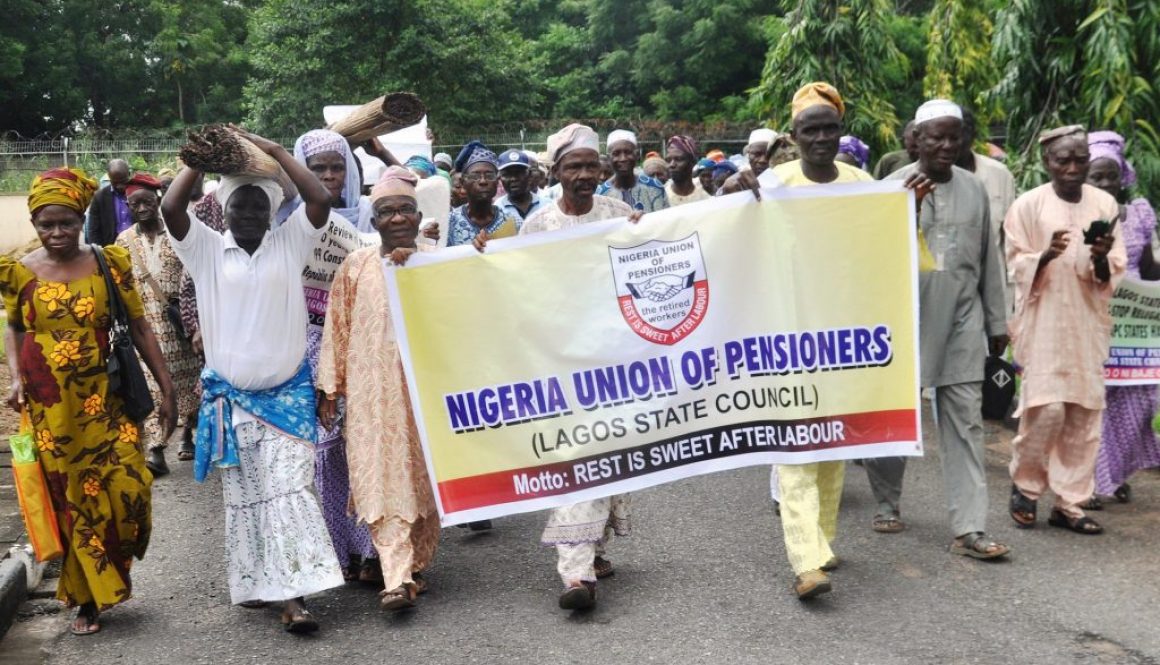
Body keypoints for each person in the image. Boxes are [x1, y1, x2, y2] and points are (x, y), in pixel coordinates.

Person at [160, 127, 344, 633]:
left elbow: (319, 198)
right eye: (238, 205)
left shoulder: (290, 242)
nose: (247, 214)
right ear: (225, 209)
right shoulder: (206, 251)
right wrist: (201, 159)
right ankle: (257, 581)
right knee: (247, 498)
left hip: (289, 396)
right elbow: (173, 210)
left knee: (289, 492)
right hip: (233, 402)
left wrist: (276, 152)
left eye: (257, 206)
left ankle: (294, 597)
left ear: (270, 211)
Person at [3, 168, 176, 636]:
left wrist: (167, 385)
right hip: (50, 406)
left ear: (81, 219)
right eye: (46, 224)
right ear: (35, 224)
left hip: (109, 398)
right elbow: (16, 326)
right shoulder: (19, 271)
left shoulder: (109, 262)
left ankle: (105, 577)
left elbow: (139, 326)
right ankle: (86, 598)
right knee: (72, 498)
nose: (57, 233)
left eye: (66, 223)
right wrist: (17, 378)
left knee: (128, 489)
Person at [479, 124, 637, 610]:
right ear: (556, 172)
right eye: (574, 167)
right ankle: (576, 575)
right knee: (575, 463)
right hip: (560, 364)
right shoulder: (536, 227)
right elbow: (516, 287)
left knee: (609, 462)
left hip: (614, 361)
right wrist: (484, 257)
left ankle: (593, 548)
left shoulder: (624, 217)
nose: (585, 174)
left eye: (592, 165)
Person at [867, 100, 1010, 559]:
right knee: (894, 419)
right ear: (916, 139)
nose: (947, 145)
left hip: (962, 322)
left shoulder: (974, 189)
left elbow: (989, 257)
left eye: (955, 136)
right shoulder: (891, 187)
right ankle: (887, 503)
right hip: (904, 321)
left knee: (966, 423)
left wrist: (997, 321)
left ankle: (970, 528)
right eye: (936, 137)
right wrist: (909, 210)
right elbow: (873, 257)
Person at [317, 166, 441, 612]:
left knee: (424, 479)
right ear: (373, 221)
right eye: (386, 212)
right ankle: (395, 576)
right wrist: (330, 387)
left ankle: (414, 566)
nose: (396, 219)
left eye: (405, 210)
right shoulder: (356, 266)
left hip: (426, 395)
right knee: (378, 477)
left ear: (418, 213)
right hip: (372, 396)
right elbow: (339, 326)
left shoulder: (438, 261)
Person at [769, 82, 873, 600]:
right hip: (786, 337)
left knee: (833, 445)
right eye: (811, 129)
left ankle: (823, 544)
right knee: (796, 448)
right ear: (794, 135)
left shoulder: (861, 182)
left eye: (829, 128)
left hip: (843, 339)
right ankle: (805, 561)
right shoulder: (772, 184)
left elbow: (881, 251)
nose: (821, 137)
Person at [1005, 125, 1126, 536]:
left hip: (1088, 322)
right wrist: (1043, 256)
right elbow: (1013, 262)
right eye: (1063, 160)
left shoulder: (1105, 202)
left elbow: (1115, 270)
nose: (1073, 168)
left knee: (1082, 412)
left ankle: (1070, 502)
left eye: (1080, 159)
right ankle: (1026, 485)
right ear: (1047, 162)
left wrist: (1101, 257)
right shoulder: (1028, 205)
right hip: (1044, 322)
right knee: (1047, 408)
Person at [291, 129, 382, 585]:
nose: (328, 175)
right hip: (309, 342)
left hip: (362, 343)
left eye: (336, 166)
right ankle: (338, 549)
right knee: (326, 452)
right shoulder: (290, 219)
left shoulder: (369, 213)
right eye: (317, 168)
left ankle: (374, 551)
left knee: (366, 443)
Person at [1085, 131, 1160, 506]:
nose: (1103, 184)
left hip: (1135, 325)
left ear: (1122, 177)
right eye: (1095, 177)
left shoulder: (1140, 213)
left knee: (1139, 398)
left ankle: (1115, 472)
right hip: (1093, 317)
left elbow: (1148, 268)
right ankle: (1091, 479)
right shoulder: (1077, 217)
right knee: (1096, 400)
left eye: (1109, 176)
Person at [114, 173, 200, 478]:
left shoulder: (179, 233)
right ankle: (157, 448)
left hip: (179, 327)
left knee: (189, 386)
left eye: (146, 202)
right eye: (133, 203)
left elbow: (195, 276)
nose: (140, 208)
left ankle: (188, 433)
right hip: (144, 329)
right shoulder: (123, 241)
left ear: (158, 199)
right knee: (152, 387)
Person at [956, 109, 1018, 251]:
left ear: (973, 136)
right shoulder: (911, 178)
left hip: (992, 270)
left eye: (960, 133)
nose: (953, 142)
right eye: (943, 136)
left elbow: (1010, 235)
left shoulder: (999, 174)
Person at [445, 141, 521, 248]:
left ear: (497, 181)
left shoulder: (512, 221)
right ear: (463, 183)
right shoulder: (449, 223)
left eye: (489, 176)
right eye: (475, 176)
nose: (483, 181)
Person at [597, 130, 668, 213]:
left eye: (628, 152)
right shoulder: (601, 194)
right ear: (609, 158)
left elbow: (666, 221)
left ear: (637, 155)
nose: (623, 158)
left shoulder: (655, 187)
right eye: (616, 153)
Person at [84, 159, 133, 247]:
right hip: (111, 248)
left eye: (123, 181)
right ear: (109, 178)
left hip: (136, 245)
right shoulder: (99, 197)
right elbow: (93, 231)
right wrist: (99, 253)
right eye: (115, 182)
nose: (120, 186)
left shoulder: (138, 193)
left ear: (129, 174)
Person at [496, 149, 544, 220]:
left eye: (518, 173)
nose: (513, 179)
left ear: (529, 175)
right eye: (507, 174)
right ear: (500, 178)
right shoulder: (497, 210)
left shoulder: (547, 205)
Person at [665, 135, 711, 206]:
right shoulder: (661, 198)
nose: (672, 165)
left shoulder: (706, 201)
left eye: (679, 159)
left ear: (692, 162)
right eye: (668, 160)